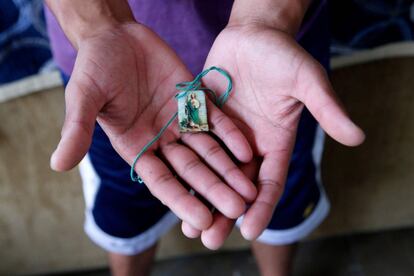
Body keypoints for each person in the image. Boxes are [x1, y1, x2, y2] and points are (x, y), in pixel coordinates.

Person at [44, 0, 365, 275]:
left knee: (275, 193)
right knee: (125, 199)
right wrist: (100, 28)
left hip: (274, 55)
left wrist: (266, 21)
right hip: (117, 77)